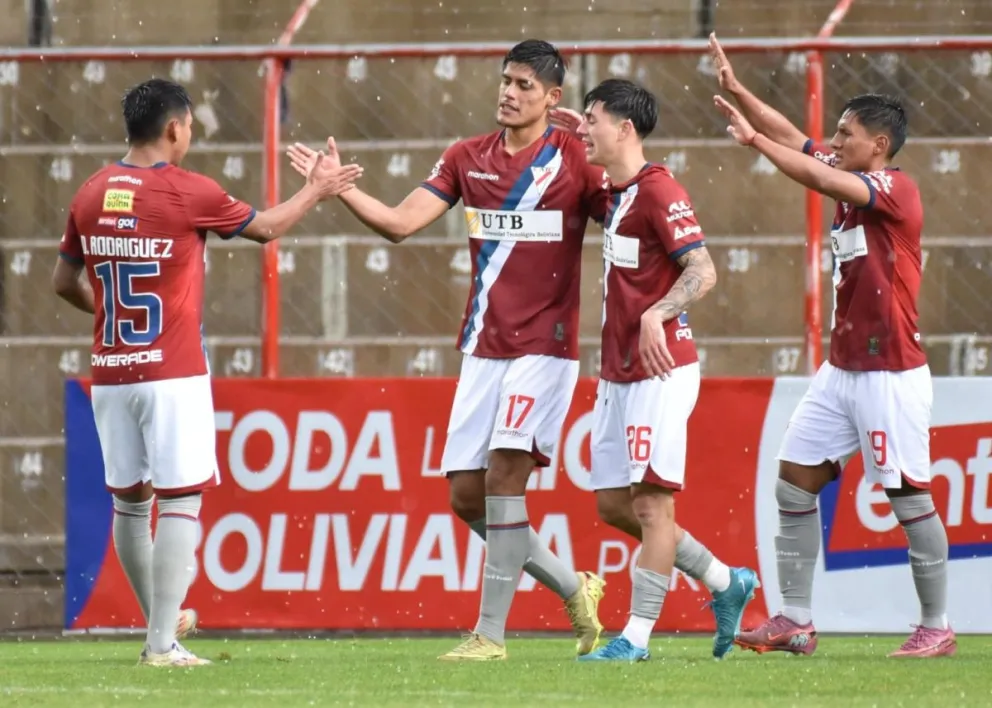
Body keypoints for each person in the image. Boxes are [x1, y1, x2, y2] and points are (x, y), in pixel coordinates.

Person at [288, 39, 609, 662]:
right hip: (483, 350)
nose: (508, 93)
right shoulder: (467, 158)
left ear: (552, 97)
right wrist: (336, 190)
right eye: (505, 81)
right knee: (466, 497)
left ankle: (489, 635)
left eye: (523, 85)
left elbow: (631, 196)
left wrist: (604, 146)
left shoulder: (574, 158)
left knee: (503, 482)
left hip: (545, 349)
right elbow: (400, 223)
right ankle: (575, 588)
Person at [53, 78, 362, 667]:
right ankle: (162, 642)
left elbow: (63, 282)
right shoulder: (187, 192)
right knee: (181, 499)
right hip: (171, 372)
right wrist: (317, 191)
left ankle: (160, 627)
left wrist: (114, 317)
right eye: (190, 126)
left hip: (112, 372)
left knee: (131, 503)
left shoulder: (92, 192)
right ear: (174, 129)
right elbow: (268, 228)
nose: (189, 135)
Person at [709, 33, 954, 658]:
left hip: (889, 372)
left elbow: (810, 170)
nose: (834, 142)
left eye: (846, 134)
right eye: (836, 134)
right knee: (794, 483)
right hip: (842, 371)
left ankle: (938, 624)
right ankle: (795, 618)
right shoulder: (850, 171)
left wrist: (753, 142)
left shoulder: (895, 190)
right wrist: (742, 95)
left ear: (879, 145)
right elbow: (799, 141)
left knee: (906, 496)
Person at [544, 79, 759, 663]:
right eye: (583, 118)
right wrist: (572, 135)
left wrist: (658, 314)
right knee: (612, 504)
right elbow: (593, 177)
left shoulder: (661, 191)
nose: (585, 127)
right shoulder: (615, 192)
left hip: (661, 371)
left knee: (652, 508)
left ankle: (635, 639)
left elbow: (704, 270)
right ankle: (723, 580)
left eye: (593, 119)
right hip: (618, 372)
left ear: (626, 129)